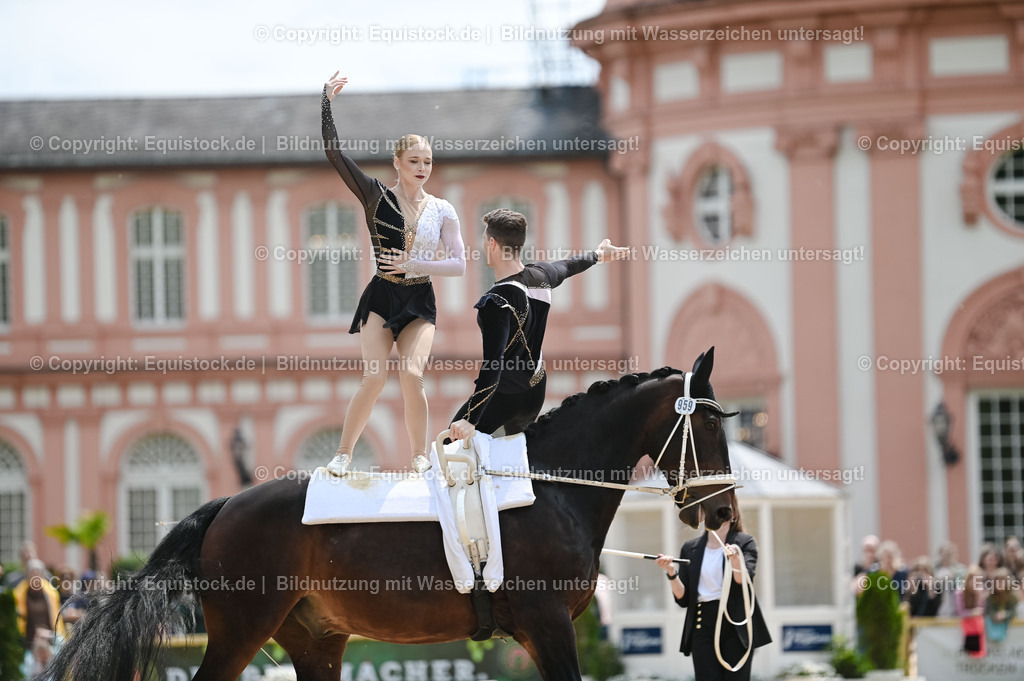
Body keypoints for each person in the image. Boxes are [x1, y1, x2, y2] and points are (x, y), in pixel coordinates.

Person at [319, 70, 467, 476]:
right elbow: (335, 153)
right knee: (373, 377)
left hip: (419, 298)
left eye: (428, 162)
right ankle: (344, 453)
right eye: (414, 161)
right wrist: (326, 103)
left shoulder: (442, 209)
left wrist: (417, 264)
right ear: (397, 163)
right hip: (383, 296)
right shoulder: (375, 195)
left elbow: (459, 263)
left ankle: (420, 456)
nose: (422, 168)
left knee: (413, 375)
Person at [447, 208, 628, 440]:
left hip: (505, 396)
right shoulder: (541, 275)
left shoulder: (496, 301)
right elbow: (568, 266)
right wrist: (597, 255)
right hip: (534, 393)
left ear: (492, 243)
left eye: (483, 241)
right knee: (513, 462)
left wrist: (471, 419)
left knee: (449, 447)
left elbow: (493, 364)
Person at [655, 501, 771, 681]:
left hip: (736, 623)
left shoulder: (744, 542)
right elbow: (683, 599)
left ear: (733, 515)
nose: (715, 515)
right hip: (703, 623)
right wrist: (671, 571)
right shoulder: (690, 548)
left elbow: (743, 582)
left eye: (722, 511)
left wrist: (735, 560)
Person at [12, 559, 65, 671]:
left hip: (49, 642)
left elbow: (56, 618)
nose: (35, 576)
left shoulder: (51, 593)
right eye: (33, 573)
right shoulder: (18, 594)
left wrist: (49, 634)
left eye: (38, 573)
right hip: (28, 644)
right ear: (27, 576)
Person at [985, 567, 1018, 646]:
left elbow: (1013, 612)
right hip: (993, 627)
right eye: (997, 581)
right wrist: (995, 615)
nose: (1000, 584)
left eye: (1002, 581)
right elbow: (988, 611)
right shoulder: (991, 596)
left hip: (1008, 631)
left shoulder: (1012, 597)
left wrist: (1005, 614)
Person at [935, 540, 966, 616]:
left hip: (955, 604)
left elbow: (962, 586)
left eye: (949, 553)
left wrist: (954, 577)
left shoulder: (960, 569)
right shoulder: (935, 569)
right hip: (939, 605)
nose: (946, 556)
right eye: (944, 553)